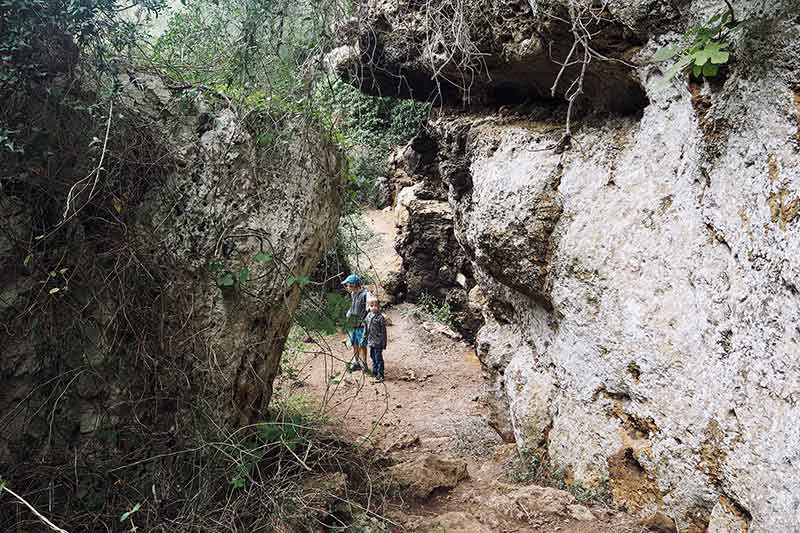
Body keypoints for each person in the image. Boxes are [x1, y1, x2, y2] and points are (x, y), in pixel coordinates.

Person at [342, 273, 369, 373]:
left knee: (363, 344)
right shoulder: (353, 294)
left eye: (348, 285)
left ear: (354, 285)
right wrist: (349, 313)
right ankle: (356, 362)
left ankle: (364, 363)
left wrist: (365, 321)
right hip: (352, 323)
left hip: (361, 325)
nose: (347, 287)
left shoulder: (365, 295)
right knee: (355, 343)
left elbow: (369, 309)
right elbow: (352, 306)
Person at [364, 294, 387, 383]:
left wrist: (384, 343)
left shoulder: (380, 317)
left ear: (379, 307)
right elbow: (366, 327)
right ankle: (375, 371)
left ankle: (380, 374)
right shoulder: (368, 316)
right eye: (371, 306)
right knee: (372, 356)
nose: (374, 308)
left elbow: (384, 331)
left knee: (378, 358)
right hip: (370, 341)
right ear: (369, 307)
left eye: (376, 306)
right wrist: (364, 337)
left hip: (378, 342)